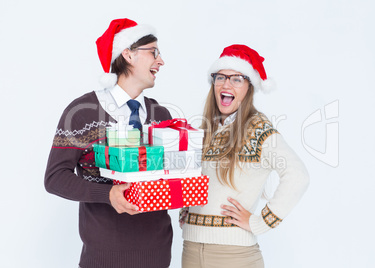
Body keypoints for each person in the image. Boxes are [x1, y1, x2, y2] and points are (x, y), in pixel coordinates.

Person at [45, 18, 173, 268]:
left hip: (157, 254)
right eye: (154, 52)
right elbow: (55, 178)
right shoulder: (83, 112)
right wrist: (108, 193)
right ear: (128, 54)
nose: (161, 61)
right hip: (104, 258)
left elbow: (168, 177)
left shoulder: (161, 115)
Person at [180, 44, 310, 268]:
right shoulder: (206, 128)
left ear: (249, 87)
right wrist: (186, 210)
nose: (226, 84)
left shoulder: (258, 128)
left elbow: (298, 175)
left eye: (237, 79)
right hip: (191, 249)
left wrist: (260, 223)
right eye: (220, 77)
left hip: (234, 255)